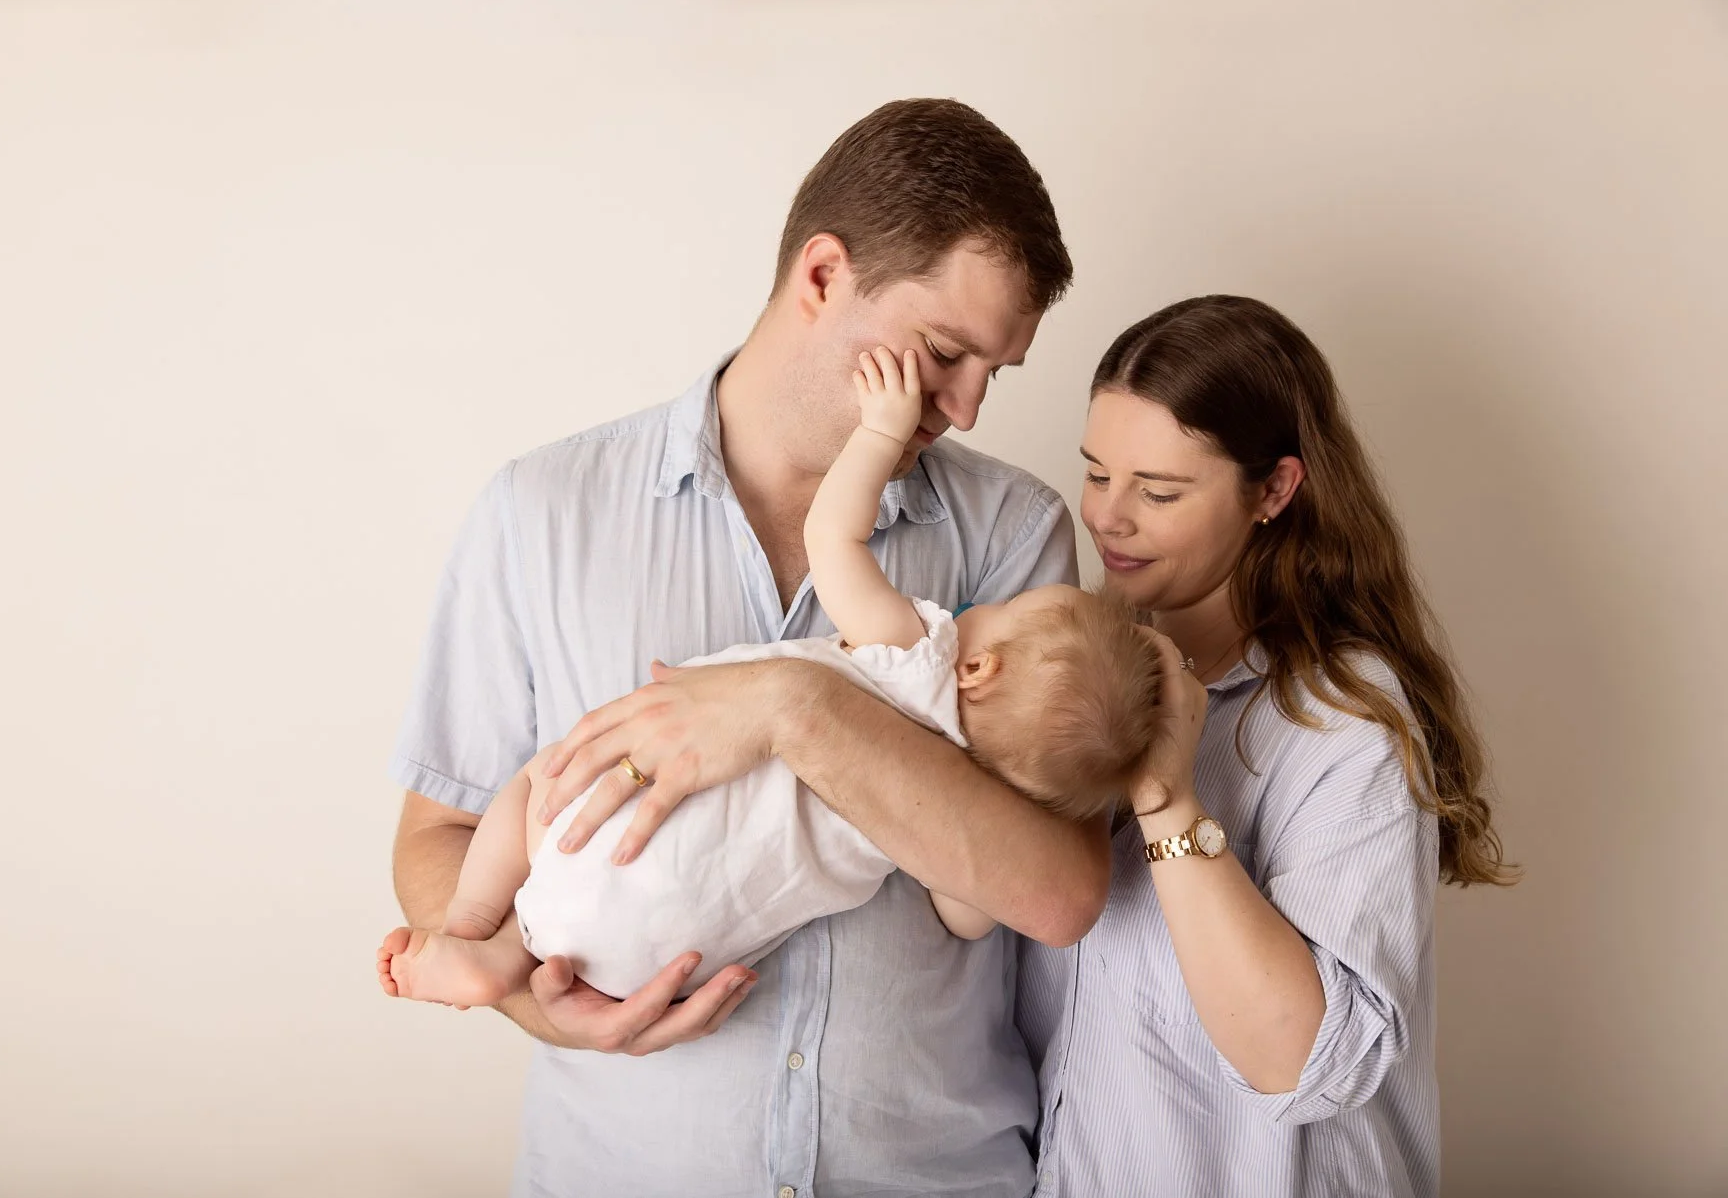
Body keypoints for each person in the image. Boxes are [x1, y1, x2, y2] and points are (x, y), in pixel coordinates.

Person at [388, 98, 1111, 1197]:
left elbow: (1055, 893)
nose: (964, 407)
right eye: (946, 352)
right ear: (824, 275)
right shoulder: (540, 512)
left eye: (993, 372)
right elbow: (436, 836)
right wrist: (544, 999)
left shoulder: (1015, 538)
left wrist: (797, 707)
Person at [377, 346, 1160, 1006]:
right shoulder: (964, 789)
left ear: (979, 665)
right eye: (948, 350)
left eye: (1010, 610)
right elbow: (970, 912)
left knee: (535, 781)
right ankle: (508, 954)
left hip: (615, 840)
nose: (966, 402)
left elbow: (835, 535)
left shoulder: (916, 651)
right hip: (669, 958)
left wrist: (881, 433)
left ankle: (480, 932)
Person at [1012, 294, 1518, 1197]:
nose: (1108, 518)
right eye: (1096, 473)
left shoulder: (1344, 719)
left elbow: (1307, 1060)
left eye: (1159, 491)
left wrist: (1170, 799)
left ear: (1275, 491)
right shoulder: (1068, 677)